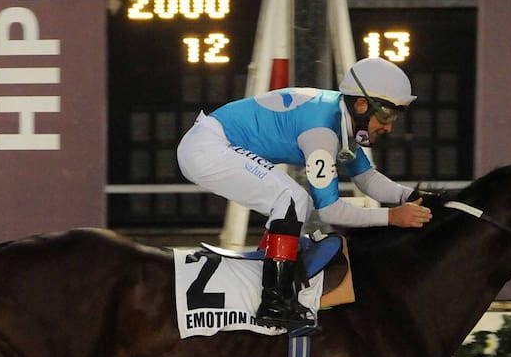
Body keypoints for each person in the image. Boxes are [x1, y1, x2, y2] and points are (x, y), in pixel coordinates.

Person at [177, 56, 433, 331]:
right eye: (385, 115)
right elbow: (330, 211)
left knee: (294, 199)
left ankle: (268, 280)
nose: (389, 127)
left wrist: (414, 197)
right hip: (207, 148)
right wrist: (392, 217)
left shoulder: (340, 116)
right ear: (361, 105)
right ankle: (274, 301)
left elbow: (366, 178)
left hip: (210, 144)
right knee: (293, 199)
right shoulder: (322, 132)